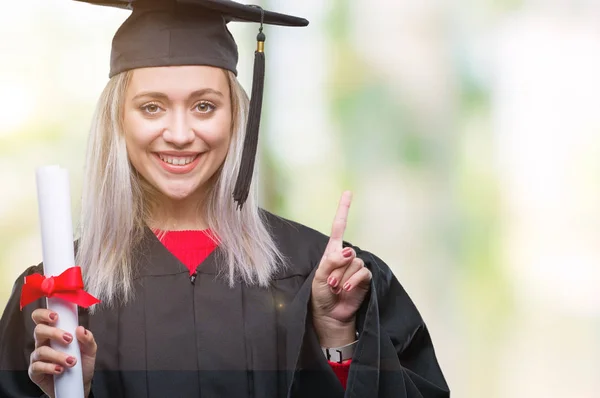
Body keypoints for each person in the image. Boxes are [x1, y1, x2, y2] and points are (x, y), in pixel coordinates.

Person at [0, 0, 450, 397]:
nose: (179, 134)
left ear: (237, 117)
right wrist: (71, 390)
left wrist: (337, 341)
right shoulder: (60, 294)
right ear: (118, 120)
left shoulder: (317, 273)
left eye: (204, 106)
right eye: (152, 106)